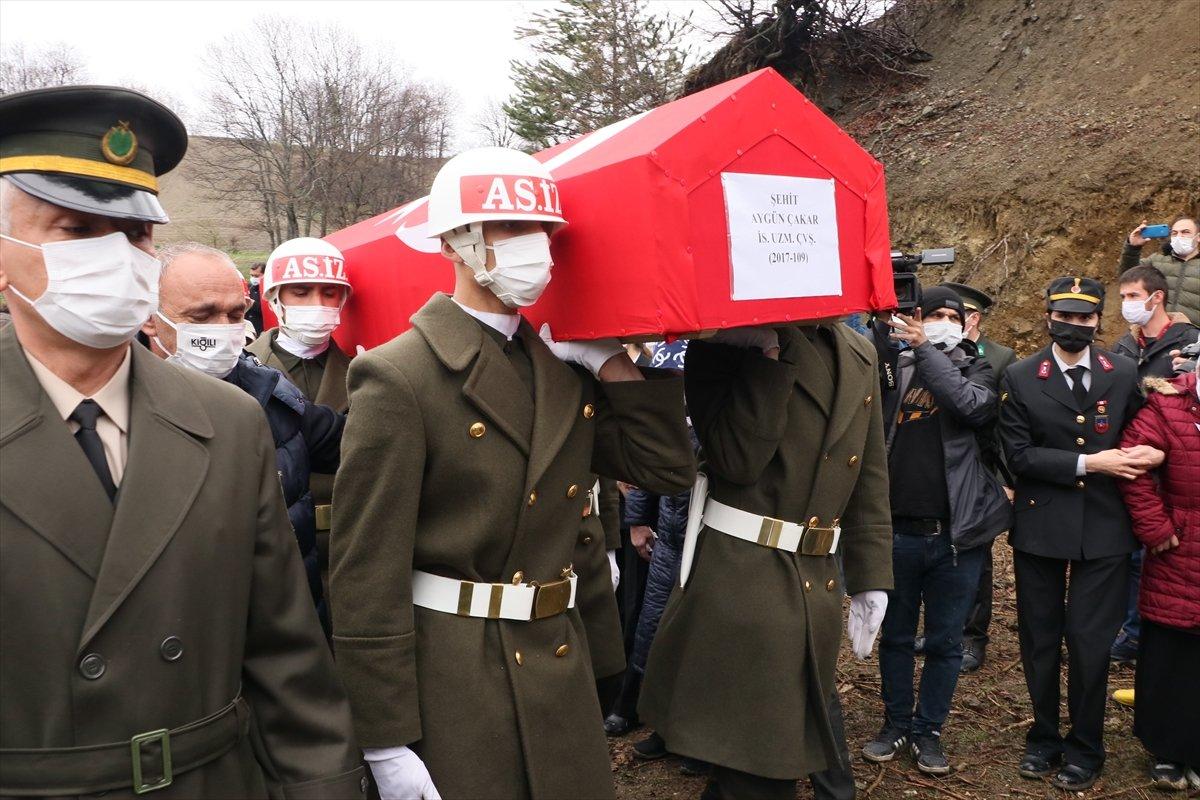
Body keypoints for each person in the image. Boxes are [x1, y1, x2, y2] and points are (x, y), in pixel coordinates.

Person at [0, 85, 364, 797]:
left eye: (135, 235)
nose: (116, 257)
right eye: (76, 229)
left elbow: (287, 661)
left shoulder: (229, 422)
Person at [330, 146, 696, 800]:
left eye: (543, 231)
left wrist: (611, 361)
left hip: (560, 652)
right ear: (456, 241)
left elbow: (664, 465)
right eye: (510, 228)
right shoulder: (399, 375)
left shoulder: (561, 369)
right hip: (456, 670)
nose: (535, 247)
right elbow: (366, 568)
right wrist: (384, 734)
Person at [639, 318, 894, 800]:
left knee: (754, 769)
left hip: (814, 584)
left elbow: (869, 469)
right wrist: (768, 361)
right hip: (743, 578)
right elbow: (737, 460)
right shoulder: (727, 342)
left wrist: (871, 572)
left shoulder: (857, 349)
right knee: (757, 771)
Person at [999, 276, 1160, 791]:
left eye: (1084, 318)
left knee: (1090, 644)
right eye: (1064, 317)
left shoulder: (1123, 373)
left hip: (1106, 528)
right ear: (1048, 316)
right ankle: (1043, 737)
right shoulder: (1022, 376)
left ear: (1097, 322)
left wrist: (1150, 453)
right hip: (1041, 523)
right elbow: (1017, 455)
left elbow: (1142, 433)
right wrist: (1089, 461)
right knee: (1040, 638)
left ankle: (1086, 745)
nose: (1073, 326)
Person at [141, 241, 346, 634]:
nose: (222, 330)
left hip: (286, 632)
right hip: (178, 639)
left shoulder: (273, 395)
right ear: (151, 319)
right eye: (202, 316)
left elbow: (360, 445)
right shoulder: (113, 407)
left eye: (236, 314)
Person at [862, 287, 1012, 774]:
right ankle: (895, 724)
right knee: (897, 636)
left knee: (947, 641)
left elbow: (970, 406)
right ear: (917, 317)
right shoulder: (895, 370)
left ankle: (929, 731)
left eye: (953, 316)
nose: (944, 322)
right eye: (934, 315)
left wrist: (927, 349)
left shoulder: (980, 367)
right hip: (897, 530)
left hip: (955, 535)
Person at [246, 237, 353, 607]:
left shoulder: (368, 373)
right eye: (302, 292)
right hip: (274, 555)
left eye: (330, 293)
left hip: (348, 552)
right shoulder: (239, 371)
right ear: (274, 299)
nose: (318, 305)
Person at [1108, 265, 1200, 665]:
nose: (1127, 305)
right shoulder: (1121, 348)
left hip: (1179, 470)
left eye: (1133, 296)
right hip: (1130, 460)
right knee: (1132, 553)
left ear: (1156, 297)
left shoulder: (1190, 342)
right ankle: (1131, 630)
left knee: (1166, 556)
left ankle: (1142, 633)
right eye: (1124, 297)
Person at [1117, 362, 1200, 792]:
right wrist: (1155, 528)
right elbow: (1134, 467)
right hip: (1180, 551)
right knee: (1172, 655)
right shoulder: (1168, 406)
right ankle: (1167, 750)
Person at [939, 282, 1016, 673]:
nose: (950, 322)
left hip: (982, 468)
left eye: (958, 315)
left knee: (977, 556)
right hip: (941, 467)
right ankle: (943, 630)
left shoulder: (1000, 357)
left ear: (975, 318)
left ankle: (973, 635)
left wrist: (1006, 477)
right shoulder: (931, 353)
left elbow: (1007, 424)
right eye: (942, 314)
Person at [1121, 216, 1199, 325]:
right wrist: (1132, 248)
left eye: (1185, 232)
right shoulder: (1156, 261)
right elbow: (1128, 278)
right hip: (1156, 333)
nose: (1179, 236)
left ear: (1198, 237)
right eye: (1174, 233)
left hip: (1192, 337)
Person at [245, 260, 265, 334]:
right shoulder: (248, 287)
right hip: (248, 330)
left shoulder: (270, 290)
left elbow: (270, 311)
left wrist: (253, 304)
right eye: (251, 275)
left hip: (262, 330)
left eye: (256, 276)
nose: (253, 278)